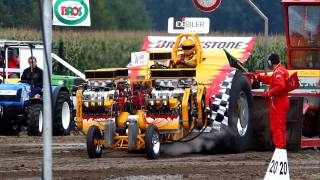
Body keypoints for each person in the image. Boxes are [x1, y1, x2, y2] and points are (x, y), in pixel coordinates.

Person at [248, 54, 290, 149]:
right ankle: (281, 149)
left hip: (278, 102)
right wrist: (257, 77)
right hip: (282, 102)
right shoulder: (281, 69)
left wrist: (268, 93)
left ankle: (279, 149)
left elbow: (281, 86)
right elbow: (272, 80)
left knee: (276, 128)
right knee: (281, 127)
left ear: (270, 62)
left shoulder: (278, 71)